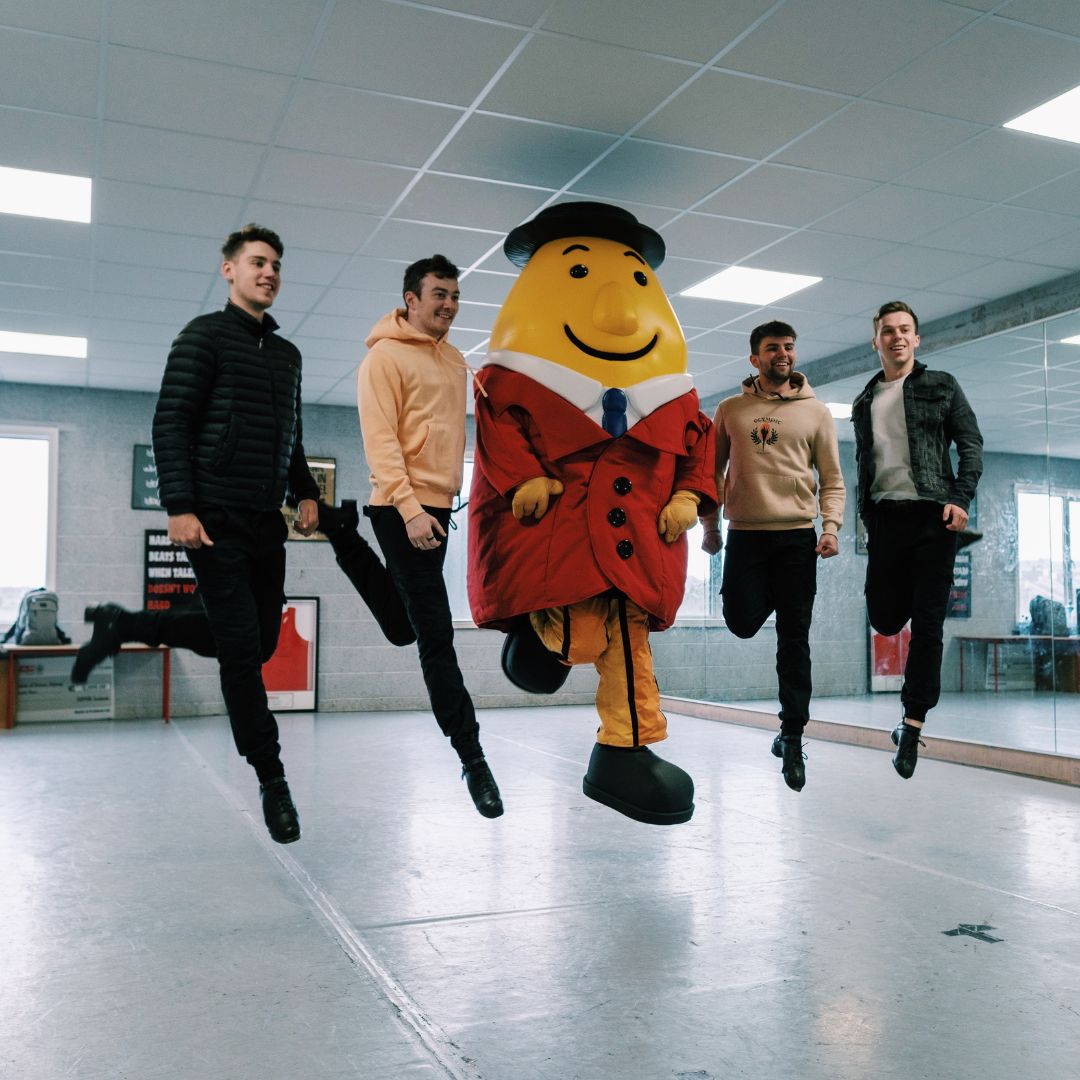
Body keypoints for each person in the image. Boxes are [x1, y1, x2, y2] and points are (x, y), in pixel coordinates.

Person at [71, 223, 320, 844]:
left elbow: (290, 439)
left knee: (258, 642)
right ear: (229, 269)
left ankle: (123, 626)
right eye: (258, 262)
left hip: (266, 525)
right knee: (242, 656)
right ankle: (273, 780)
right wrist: (179, 506)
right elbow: (170, 424)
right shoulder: (203, 337)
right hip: (214, 523)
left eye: (277, 266)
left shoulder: (288, 357)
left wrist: (307, 492)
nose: (270, 273)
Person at [355, 254, 502, 819]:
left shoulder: (455, 359)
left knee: (403, 627)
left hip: (438, 509)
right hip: (402, 509)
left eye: (455, 295)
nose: (449, 304)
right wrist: (411, 509)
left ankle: (347, 540)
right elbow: (381, 442)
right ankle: (473, 757)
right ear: (411, 299)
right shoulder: (384, 358)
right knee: (436, 633)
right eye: (439, 294)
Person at [701, 321, 845, 792]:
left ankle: (792, 736)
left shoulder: (816, 413)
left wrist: (830, 528)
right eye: (772, 349)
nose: (782, 354)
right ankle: (775, 603)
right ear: (754, 359)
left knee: (794, 641)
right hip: (745, 535)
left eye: (788, 347)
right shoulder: (730, 410)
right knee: (740, 620)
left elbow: (832, 479)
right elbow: (710, 473)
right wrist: (710, 529)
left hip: (797, 540)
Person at [852, 301, 983, 778]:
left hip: (934, 517)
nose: (897, 337)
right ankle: (911, 588)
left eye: (905, 330)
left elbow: (971, 444)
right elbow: (863, 464)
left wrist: (960, 497)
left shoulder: (941, 385)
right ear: (876, 341)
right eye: (888, 331)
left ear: (917, 339)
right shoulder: (865, 400)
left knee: (928, 625)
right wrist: (865, 518)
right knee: (884, 618)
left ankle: (911, 725)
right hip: (886, 520)